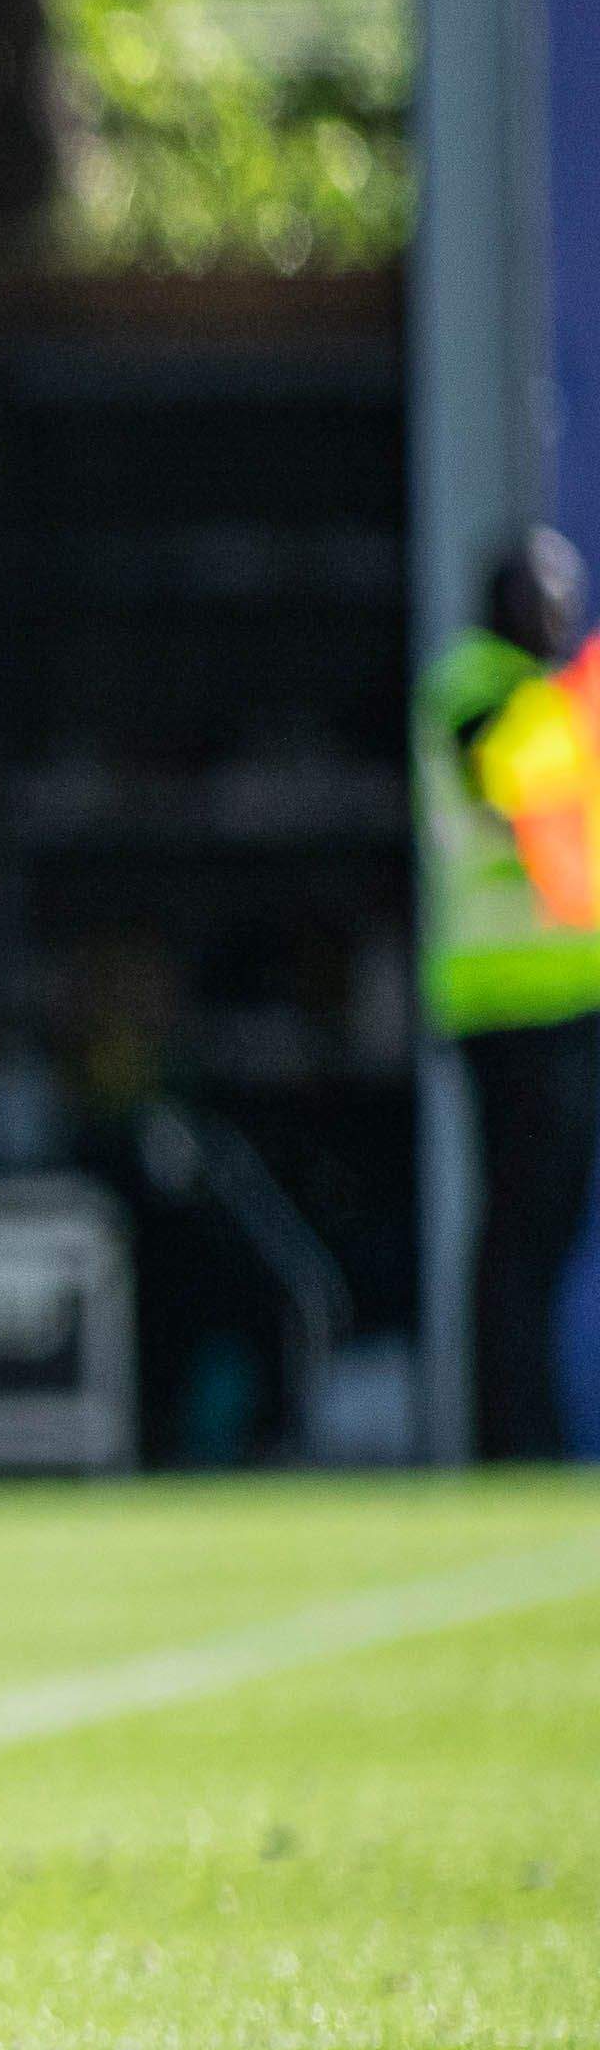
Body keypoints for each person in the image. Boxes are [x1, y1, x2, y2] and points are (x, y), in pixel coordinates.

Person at [423, 528, 600, 1460]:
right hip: (506, 1011)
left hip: (569, 1001)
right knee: (518, 1232)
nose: (563, 610)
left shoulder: (552, 698)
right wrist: (575, 696)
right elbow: (501, 783)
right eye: (545, 593)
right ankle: (509, 1437)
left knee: (552, 1228)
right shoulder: (473, 685)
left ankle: (530, 1430)